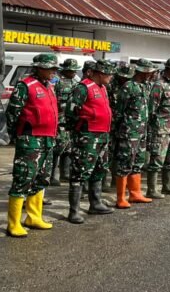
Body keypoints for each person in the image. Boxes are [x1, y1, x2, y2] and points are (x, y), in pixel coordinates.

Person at [4, 53, 59, 237]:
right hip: (30, 138)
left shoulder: (49, 86)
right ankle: (14, 223)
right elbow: (12, 113)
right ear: (38, 67)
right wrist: (18, 135)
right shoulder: (25, 85)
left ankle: (34, 217)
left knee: (41, 177)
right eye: (49, 68)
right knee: (24, 177)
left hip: (47, 139)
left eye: (54, 69)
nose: (53, 72)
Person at [66, 59, 115, 224]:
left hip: (102, 135)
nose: (111, 77)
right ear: (100, 74)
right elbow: (71, 111)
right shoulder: (83, 88)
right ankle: (74, 211)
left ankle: (96, 203)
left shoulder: (103, 88)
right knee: (80, 172)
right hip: (87, 136)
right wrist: (79, 129)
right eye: (108, 74)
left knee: (99, 169)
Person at [112, 58, 157, 207]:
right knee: (125, 163)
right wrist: (119, 130)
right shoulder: (128, 87)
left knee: (138, 162)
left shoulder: (145, 86)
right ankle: (121, 197)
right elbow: (119, 111)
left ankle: (135, 193)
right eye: (149, 72)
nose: (150, 75)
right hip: (128, 132)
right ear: (142, 72)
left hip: (142, 131)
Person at [147, 57, 170, 196]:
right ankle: (152, 189)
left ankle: (167, 185)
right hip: (161, 129)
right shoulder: (159, 85)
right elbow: (152, 109)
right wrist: (154, 128)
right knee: (157, 159)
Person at [50, 58, 80, 186]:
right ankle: (52, 175)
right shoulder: (56, 80)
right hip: (59, 118)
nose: (74, 72)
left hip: (70, 118)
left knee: (68, 146)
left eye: (75, 71)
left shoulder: (76, 81)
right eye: (71, 70)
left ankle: (65, 173)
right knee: (57, 147)